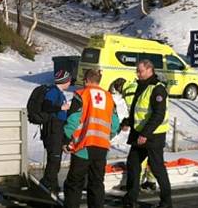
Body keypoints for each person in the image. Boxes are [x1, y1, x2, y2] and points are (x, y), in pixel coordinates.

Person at [62, 69, 120, 208]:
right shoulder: (108, 97)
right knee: (96, 183)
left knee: (74, 183)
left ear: (86, 80)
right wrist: (107, 136)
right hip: (101, 147)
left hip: (83, 146)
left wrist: (66, 139)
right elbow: (115, 124)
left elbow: (73, 120)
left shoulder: (81, 95)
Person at [122, 60, 172, 208]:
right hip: (140, 134)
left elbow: (158, 115)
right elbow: (137, 110)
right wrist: (128, 122)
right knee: (133, 164)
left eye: (140, 71)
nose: (137, 73)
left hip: (153, 136)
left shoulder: (158, 89)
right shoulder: (141, 86)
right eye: (137, 70)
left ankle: (166, 202)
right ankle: (131, 199)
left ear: (150, 69)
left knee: (157, 168)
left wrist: (145, 134)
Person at [114, 79, 157, 191]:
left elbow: (135, 113)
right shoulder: (135, 86)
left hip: (142, 128)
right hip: (153, 128)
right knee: (151, 157)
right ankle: (151, 182)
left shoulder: (129, 93)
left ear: (120, 88)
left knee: (138, 159)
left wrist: (126, 122)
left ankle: (134, 185)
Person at [40, 69, 72, 194]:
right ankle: (47, 184)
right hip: (53, 129)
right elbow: (46, 106)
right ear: (64, 81)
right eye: (68, 80)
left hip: (58, 128)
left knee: (55, 159)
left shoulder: (59, 92)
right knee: (54, 159)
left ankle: (52, 184)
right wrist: (61, 107)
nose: (70, 83)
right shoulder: (53, 92)